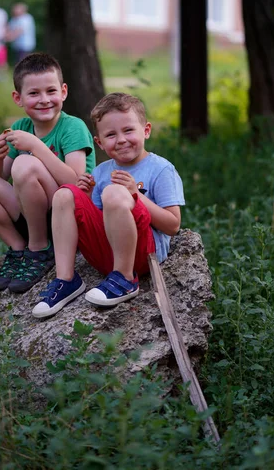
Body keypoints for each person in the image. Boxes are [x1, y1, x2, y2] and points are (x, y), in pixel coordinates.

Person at [32, 92, 185, 319]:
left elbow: (173, 225)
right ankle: (66, 280)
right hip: (106, 253)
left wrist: (136, 195)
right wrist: (88, 193)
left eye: (128, 130)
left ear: (146, 130)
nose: (121, 139)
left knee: (114, 191)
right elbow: (100, 220)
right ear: (99, 142)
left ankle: (126, 278)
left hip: (143, 254)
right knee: (66, 193)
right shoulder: (102, 172)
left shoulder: (161, 169)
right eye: (111, 135)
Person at [0, 52, 95, 294]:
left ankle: (40, 250)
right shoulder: (21, 128)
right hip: (32, 213)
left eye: (51, 91)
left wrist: (35, 146)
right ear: (18, 98)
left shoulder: (73, 127)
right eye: (34, 93)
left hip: (66, 216)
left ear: (63, 92)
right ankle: (18, 247)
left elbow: (75, 184)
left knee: (24, 164)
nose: (44, 99)